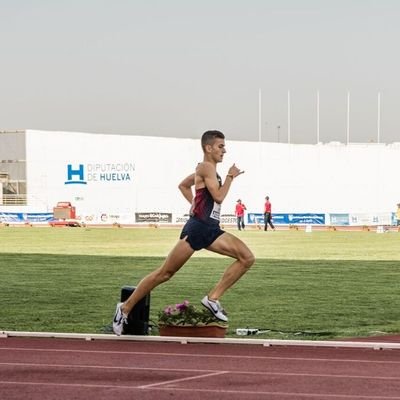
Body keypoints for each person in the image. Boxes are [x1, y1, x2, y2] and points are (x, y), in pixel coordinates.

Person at [113, 130, 255, 335]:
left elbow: (183, 185)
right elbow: (218, 197)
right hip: (197, 229)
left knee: (246, 257)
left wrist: (194, 204)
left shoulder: (209, 170)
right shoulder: (206, 167)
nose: (225, 150)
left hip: (211, 229)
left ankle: (212, 298)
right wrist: (231, 177)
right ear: (208, 148)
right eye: (220, 146)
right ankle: (124, 308)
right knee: (165, 273)